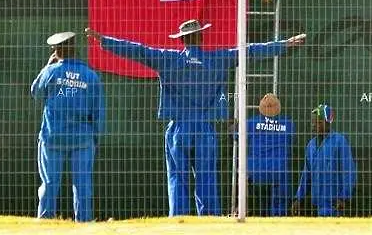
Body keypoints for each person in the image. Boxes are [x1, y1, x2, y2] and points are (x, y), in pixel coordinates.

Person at [85, 20, 305, 216]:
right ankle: (209, 222)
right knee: (207, 178)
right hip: (204, 130)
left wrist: (104, 41)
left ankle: (178, 220)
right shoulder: (217, 59)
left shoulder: (167, 59)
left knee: (177, 178)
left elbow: (137, 50)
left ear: (182, 41)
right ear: (200, 36)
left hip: (178, 130)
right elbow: (250, 51)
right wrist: (283, 44)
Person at [31, 32, 105, 222]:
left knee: (49, 183)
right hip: (82, 139)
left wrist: (48, 65)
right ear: (75, 49)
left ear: (57, 51)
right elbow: (98, 112)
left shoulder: (51, 72)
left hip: (52, 137)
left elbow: (35, 92)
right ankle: (84, 223)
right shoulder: (90, 75)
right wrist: (94, 138)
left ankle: (45, 222)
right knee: (83, 185)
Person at [292, 104, 356, 217]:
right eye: (313, 122)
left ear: (328, 122)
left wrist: (344, 197)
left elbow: (349, 172)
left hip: (335, 205)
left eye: (318, 122)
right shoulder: (311, 145)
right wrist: (298, 198)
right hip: (317, 207)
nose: (314, 125)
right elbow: (306, 175)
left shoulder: (339, 142)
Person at [246, 93, 295, 216]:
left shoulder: (250, 123)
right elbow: (291, 141)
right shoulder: (288, 124)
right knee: (279, 210)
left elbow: (235, 135)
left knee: (258, 208)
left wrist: (234, 125)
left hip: (257, 173)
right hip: (279, 172)